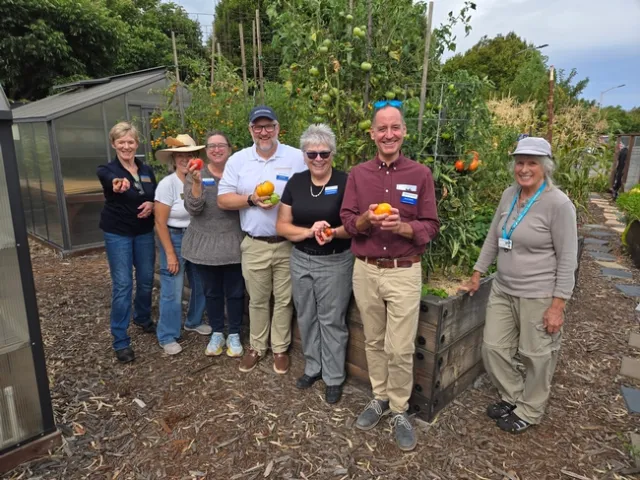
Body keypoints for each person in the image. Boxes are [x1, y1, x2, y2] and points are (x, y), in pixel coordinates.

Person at [340, 101, 440, 451]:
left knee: (399, 348)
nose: (388, 134)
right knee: (372, 340)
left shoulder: (420, 174)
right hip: (366, 270)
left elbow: (431, 225)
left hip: (403, 271)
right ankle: (379, 398)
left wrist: (404, 227)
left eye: (394, 127)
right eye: (381, 128)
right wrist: (368, 220)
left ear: (404, 132)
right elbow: (350, 222)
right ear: (372, 134)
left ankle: (399, 409)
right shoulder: (358, 174)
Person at [460, 136, 577, 434]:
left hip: (538, 294)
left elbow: (568, 259)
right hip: (503, 287)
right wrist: (478, 272)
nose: (524, 169)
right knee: (493, 348)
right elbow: (493, 238)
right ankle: (513, 396)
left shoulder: (558, 204)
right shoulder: (509, 194)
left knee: (536, 355)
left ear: (546, 167)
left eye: (532, 163)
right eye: (520, 163)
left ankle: (531, 408)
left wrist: (558, 305)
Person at [218, 106, 307, 374]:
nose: (264, 132)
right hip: (255, 242)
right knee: (256, 299)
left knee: (284, 299)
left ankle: (279, 348)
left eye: (269, 126)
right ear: (250, 130)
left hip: (288, 242)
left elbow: (310, 191)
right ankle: (257, 346)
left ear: (278, 128)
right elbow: (223, 199)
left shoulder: (296, 158)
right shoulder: (239, 160)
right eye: (258, 127)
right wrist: (251, 200)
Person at [276, 124, 353, 404]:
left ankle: (333, 376)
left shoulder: (346, 182)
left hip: (335, 261)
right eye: (312, 154)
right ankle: (313, 367)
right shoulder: (296, 182)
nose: (318, 159)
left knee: (332, 320)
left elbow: (354, 225)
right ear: (304, 154)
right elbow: (282, 226)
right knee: (306, 315)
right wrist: (309, 232)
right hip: (301, 258)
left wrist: (332, 231)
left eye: (324, 153)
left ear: (332, 153)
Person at [97, 121, 157, 364]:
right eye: (121, 142)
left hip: (143, 232)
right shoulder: (108, 170)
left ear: (136, 144)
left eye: (130, 141)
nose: (126, 146)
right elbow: (111, 181)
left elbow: (153, 195)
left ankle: (142, 317)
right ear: (114, 144)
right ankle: (120, 340)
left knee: (145, 280)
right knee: (123, 284)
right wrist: (118, 185)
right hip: (118, 233)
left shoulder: (146, 169)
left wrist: (152, 204)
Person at [183, 131, 245, 358]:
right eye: (211, 146)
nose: (216, 149)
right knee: (212, 292)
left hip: (233, 241)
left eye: (221, 145)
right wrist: (197, 183)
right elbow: (193, 208)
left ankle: (235, 332)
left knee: (236, 291)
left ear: (230, 148)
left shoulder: (239, 173)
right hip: (204, 244)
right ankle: (218, 331)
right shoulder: (196, 173)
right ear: (206, 150)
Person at [153, 134, 209, 356]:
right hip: (175, 237)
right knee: (172, 288)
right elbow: (159, 222)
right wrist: (170, 253)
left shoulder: (201, 180)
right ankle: (167, 335)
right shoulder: (167, 184)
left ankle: (193, 321)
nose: (186, 160)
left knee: (201, 282)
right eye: (181, 156)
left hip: (197, 236)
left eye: (191, 155)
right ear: (174, 159)